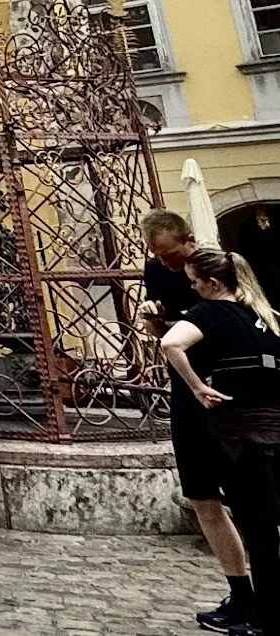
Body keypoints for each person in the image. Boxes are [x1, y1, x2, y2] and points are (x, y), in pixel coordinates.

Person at [141, 210, 256, 635]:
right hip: (189, 400)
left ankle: (266, 591)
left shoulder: (220, 271)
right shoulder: (157, 269)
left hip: (231, 398)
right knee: (203, 499)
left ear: (189, 241)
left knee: (251, 503)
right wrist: (153, 318)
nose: (166, 265)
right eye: (158, 257)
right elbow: (164, 334)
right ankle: (240, 591)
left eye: (171, 256)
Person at [161, 246, 280, 635]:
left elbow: (171, 344)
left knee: (253, 522)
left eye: (195, 283)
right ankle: (250, 602)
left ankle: (259, 609)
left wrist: (195, 387)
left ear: (212, 283)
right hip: (264, 424)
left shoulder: (210, 311)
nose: (192, 289)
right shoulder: (264, 317)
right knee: (254, 519)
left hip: (224, 425)